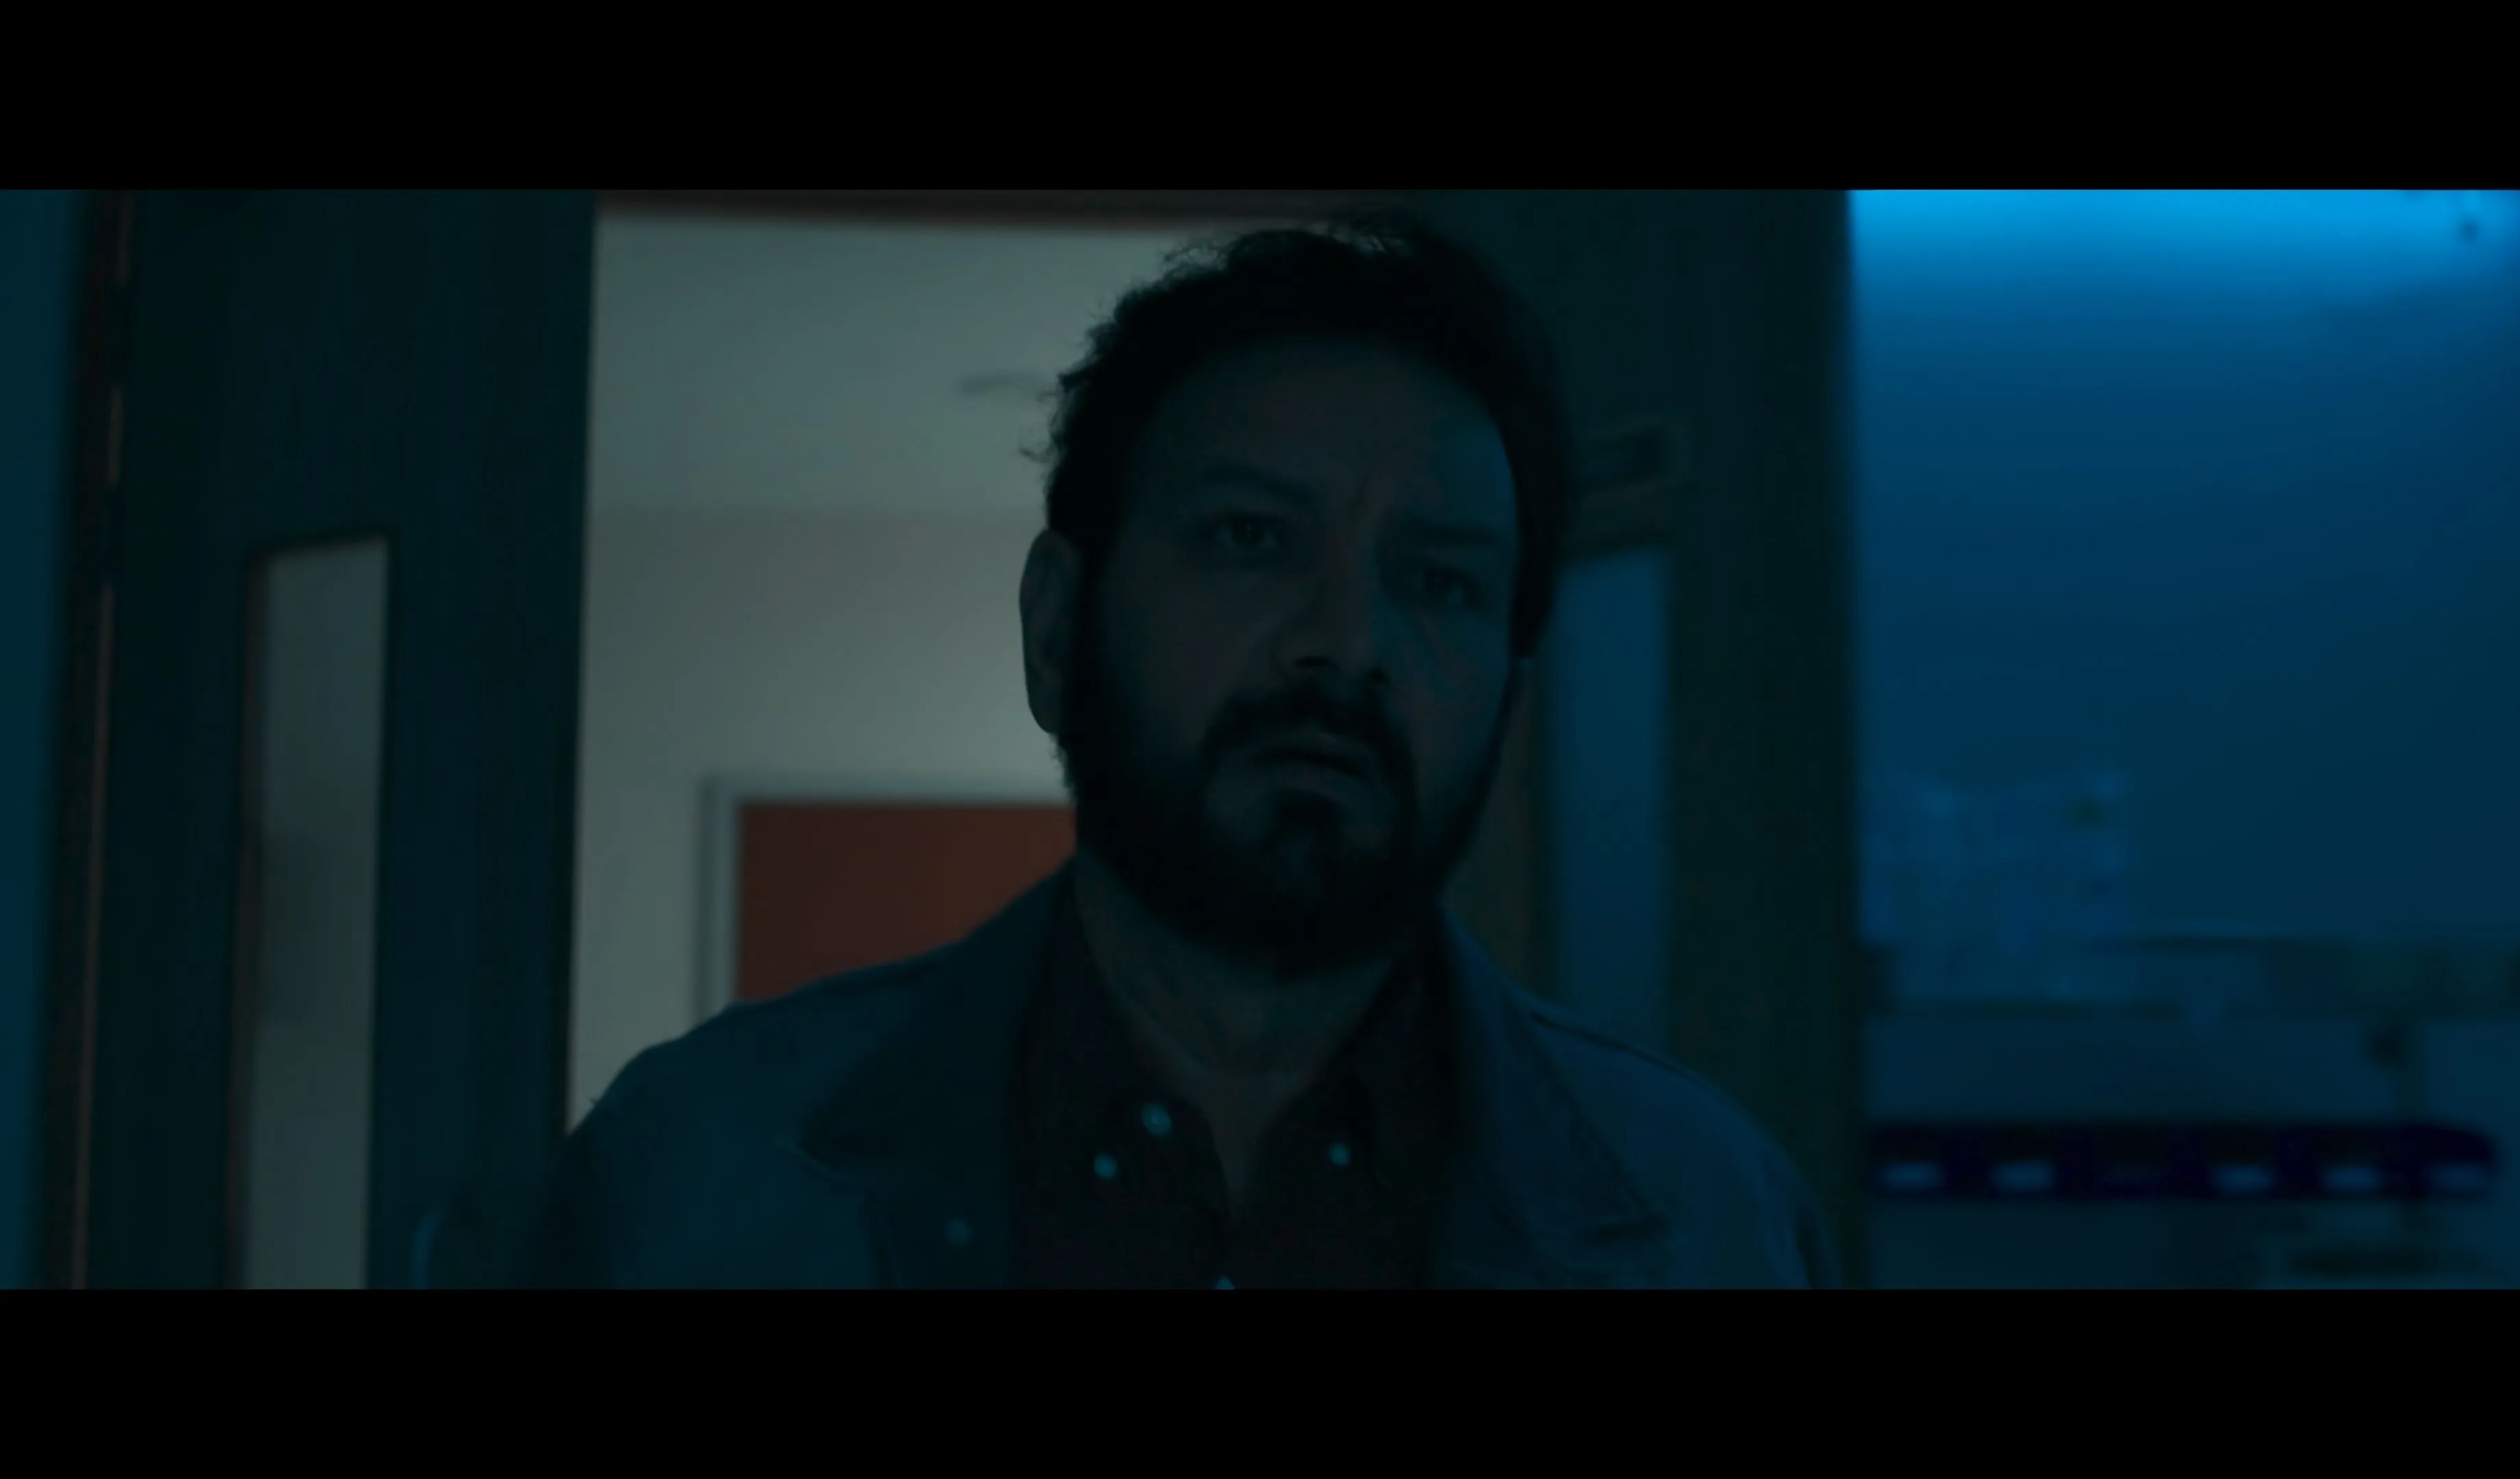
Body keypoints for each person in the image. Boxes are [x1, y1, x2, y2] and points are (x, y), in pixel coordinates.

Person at [525, 213, 1837, 1289]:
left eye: (1439, 581)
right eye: (1252, 540)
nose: (1347, 642)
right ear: (1059, 630)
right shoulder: (697, 1177)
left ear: (1512, 701)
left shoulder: (1707, 1222)